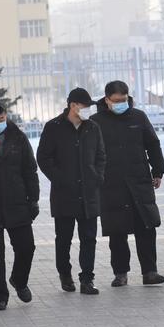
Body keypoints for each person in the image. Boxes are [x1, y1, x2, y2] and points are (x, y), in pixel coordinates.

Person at [91, 81, 164, 286]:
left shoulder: (138, 117)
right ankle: (120, 273)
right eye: (116, 101)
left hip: (139, 180)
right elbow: (90, 154)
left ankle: (150, 272)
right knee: (117, 231)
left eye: (124, 100)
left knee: (147, 227)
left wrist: (157, 170)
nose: (121, 103)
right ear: (107, 100)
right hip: (110, 184)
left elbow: (153, 144)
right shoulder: (95, 122)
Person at [37, 88, 106, 295]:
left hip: (89, 193)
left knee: (88, 238)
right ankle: (65, 274)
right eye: (85, 106)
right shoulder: (54, 127)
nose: (88, 110)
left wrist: (97, 177)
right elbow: (43, 158)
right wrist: (59, 178)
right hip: (64, 193)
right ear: (73, 105)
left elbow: (101, 156)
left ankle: (87, 279)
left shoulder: (93, 127)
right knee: (64, 238)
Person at [0, 101, 39, 311]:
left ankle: (19, 281)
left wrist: (34, 200)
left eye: (2, 119)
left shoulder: (17, 137)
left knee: (26, 247)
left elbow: (30, 170)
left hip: (17, 202)